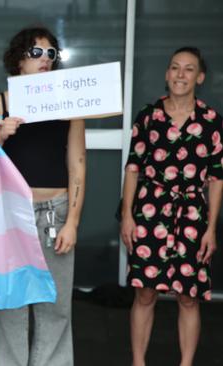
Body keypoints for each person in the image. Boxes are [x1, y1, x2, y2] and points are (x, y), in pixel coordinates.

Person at [0, 26, 86, 366]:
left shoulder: (69, 104)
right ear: (19, 60)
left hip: (55, 213)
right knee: (10, 302)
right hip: (11, 215)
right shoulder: (0, 103)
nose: (45, 59)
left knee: (55, 306)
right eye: (36, 52)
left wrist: (72, 221)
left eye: (51, 54)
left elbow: (78, 167)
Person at [120, 46, 221, 366]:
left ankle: (186, 363)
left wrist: (211, 229)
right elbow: (133, 168)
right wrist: (126, 216)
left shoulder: (211, 122)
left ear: (200, 77)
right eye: (175, 67)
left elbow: (217, 178)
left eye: (189, 69)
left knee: (189, 297)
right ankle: (138, 362)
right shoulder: (149, 117)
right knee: (145, 293)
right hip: (149, 213)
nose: (180, 74)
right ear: (166, 74)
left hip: (193, 215)